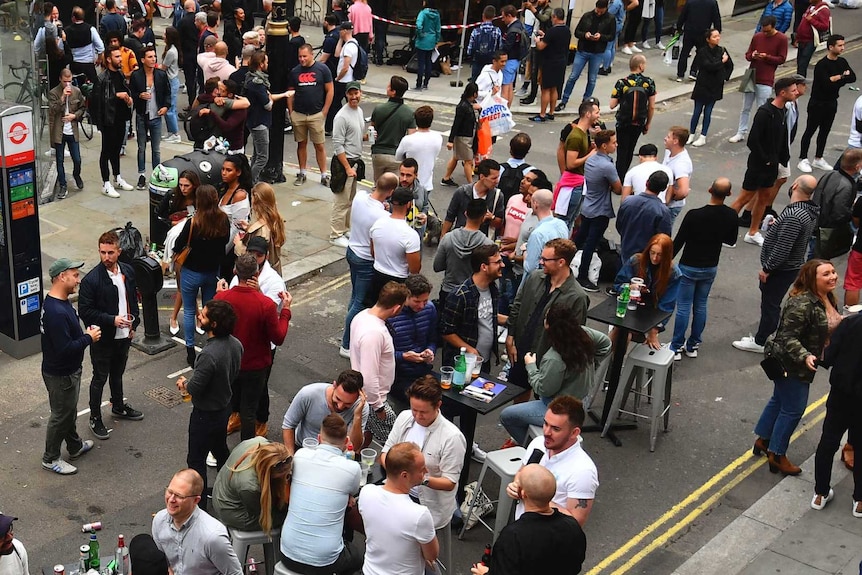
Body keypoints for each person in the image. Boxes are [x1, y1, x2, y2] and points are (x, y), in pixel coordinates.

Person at [752, 260, 839, 476]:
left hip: (803, 361)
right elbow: (787, 337)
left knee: (780, 400)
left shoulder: (826, 297)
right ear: (812, 279)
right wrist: (806, 355)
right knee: (793, 409)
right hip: (791, 363)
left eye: (834, 271)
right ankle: (777, 454)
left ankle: (763, 440)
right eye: (826, 274)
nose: (833, 276)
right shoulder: (802, 304)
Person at [381, 377, 466, 571]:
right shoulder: (404, 418)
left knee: (420, 556)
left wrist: (420, 480)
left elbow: (450, 482)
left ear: (438, 406)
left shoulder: (452, 438)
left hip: (428, 503)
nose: (417, 416)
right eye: (414, 410)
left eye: (423, 412)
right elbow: (385, 453)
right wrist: (398, 475)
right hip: (398, 492)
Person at [500, 303, 611, 445]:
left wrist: (531, 365)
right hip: (581, 402)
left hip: (558, 408)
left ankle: (536, 448)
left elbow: (543, 389)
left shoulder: (555, 358)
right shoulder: (584, 335)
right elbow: (606, 344)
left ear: (548, 326)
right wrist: (594, 362)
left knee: (507, 416)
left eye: (546, 317)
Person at [732, 175, 819, 354]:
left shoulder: (794, 215)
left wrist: (767, 268)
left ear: (795, 186)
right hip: (790, 266)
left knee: (770, 304)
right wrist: (778, 224)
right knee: (772, 303)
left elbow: (783, 247)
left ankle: (761, 340)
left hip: (781, 269)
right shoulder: (805, 211)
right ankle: (767, 333)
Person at [215, 254, 291, 439]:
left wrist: (219, 293)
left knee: (228, 401)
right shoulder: (266, 304)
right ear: (256, 275)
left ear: (235, 271)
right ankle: (245, 453)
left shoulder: (223, 298)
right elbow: (278, 337)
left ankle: (221, 443)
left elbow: (212, 325)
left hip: (230, 362)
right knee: (249, 411)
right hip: (256, 366)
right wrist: (286, 311)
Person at [175, 301, 243, 502]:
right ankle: (228, 492)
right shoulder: (236, 345)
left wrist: (184, 383)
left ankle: (199, 503)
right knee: (220, 450)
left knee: (196, 460)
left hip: (205, 415)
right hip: (224, 409)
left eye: (203, 316)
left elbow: (195, 388)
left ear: (213, 325)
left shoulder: (209, 355)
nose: (199, 316)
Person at [78, 231, 143, 440]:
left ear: (119, 251)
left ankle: (118, 405)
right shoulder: (91, 281)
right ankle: (95, 416)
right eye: (103, 252)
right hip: (103, 338)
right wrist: (111, 319)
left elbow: (133, 298)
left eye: (110, 252)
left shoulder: (127, 272)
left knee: (117, 373)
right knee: (99, 378)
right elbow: (85, 312)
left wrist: (135, 324)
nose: (106, 257)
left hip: (124, 335)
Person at [280, 415, 363, 575]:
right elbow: (352, 493)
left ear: (318, 438)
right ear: (347, 442)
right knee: (358, 558)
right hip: (325, 561)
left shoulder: (300, 455)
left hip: (287, 552)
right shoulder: (352, 468)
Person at [471, 465, 587, 575]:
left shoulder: (513, 536)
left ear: (522, 493)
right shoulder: (572, 527)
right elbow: (576, 565)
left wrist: (485, 573)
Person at [506, 239, 589, 393]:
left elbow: (574, 337)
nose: (541, 262)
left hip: (549, 360)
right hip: (521, 349)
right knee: (517, 392)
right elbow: (517, 305)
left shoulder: (577, 297)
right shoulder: (534, 277)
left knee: (545, 403)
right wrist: (510, 336)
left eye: (545, 259)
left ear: (561, 262)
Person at [41, 258, 99, 475]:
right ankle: (50, 458)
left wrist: (83, 334)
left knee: (68, 411)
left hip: (66, 371)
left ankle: (74, 446)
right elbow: (64, 348)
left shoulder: (59, 302)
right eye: (75, 274)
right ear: (61, 276)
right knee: (61, 415)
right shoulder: (56, 312)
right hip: (61, 374)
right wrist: (88, 338)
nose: (78, 279)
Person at [670, 178, 738, 360]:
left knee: (683, 306)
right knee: (700, 305)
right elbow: (731, 240)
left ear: (709, 189)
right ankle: (693, 344)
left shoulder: (694, 215)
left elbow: (679, 240)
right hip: (710, 266)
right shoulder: (731, 215)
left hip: (689, 265)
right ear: (729, 194)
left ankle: (676, 346)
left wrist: (667, 260)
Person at [507, 396, 598, 526]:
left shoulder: (583, 472)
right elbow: (521, 473)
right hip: (520, 527)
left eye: (556, 429)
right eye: (545, 424)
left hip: (548, 539)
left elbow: (575, 522)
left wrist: (537, 498)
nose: (546, 432)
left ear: (574, 433)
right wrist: (515, 486)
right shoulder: (538, 444)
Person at [730, 76, 799, 247]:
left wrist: (783, 157)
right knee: (743, 198)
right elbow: (753, 140)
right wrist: (766, 159)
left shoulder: (783, 110)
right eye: (793, 90)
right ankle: (724, 231)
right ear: (782, 93)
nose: (796, 93)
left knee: (763, 199)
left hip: (773, 166)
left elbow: (782, 138)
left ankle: (753, 232)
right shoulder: (765, 112)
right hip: (758, 165)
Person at [811, 307, 862, 516]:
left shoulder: (850, 324)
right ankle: (859, 500)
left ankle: (821, 493)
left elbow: (828, 357)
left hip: (841, 394)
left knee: (828, 442)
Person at [173, 185, 232, 366]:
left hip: (191, 272)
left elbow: (177, 245)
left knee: (190, 311)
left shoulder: (193, 222)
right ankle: (209, 347)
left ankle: (190, 350)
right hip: (212, 272)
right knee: (209, 311)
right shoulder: (223, 220)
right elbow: (225, 243)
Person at [359, 442, 439, 574]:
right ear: (404, 476)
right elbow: (431, 556)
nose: (426, 471)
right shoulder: (419, 514)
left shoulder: (366, 492)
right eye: (422, 469)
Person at [339, 173, 397, 357]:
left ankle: (351, 337)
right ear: (391, 191)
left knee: (355, 297)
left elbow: (371, 199)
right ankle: (346, 345)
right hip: (365, 259)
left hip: (351, 252)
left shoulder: (360, 197)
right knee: (360, 303)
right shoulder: (382, 216)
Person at [152, 468, 243, 575]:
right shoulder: (159, 521)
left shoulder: (213, 537)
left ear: (196, 500)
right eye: (170, 491)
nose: (171, 499)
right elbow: (163, 562)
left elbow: (235, 573)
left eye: (179, 496)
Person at [350, 282, 410, 442]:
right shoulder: (374, 333)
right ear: (397, 308)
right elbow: (368, 377)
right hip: (374, 400)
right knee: (396, 443)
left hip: (368, 398)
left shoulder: (362, 315)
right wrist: (379, 407)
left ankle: (358, 460)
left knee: (365, 434)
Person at [797, 35, 856, 174]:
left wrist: (837, 78)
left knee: (825, 131)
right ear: (831, 47)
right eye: (840, 45)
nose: (843, 48)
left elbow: (852, 77)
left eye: (843, 45)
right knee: (810, 130)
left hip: (831, 102)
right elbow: (826, 85)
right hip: (817, 103)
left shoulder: (842, 61)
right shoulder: (822, 65)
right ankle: (803, 158)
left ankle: (818, 158)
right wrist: (842, 77)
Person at [440, 244, 503, 369]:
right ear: (484, 267)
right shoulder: (460, 295)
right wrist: (470, 350)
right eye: (498, 262)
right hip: (463, 362)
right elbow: (446, 331)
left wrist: (511, 320)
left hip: (483, 361)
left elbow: (487, 315)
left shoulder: (492, 288)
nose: (502, 265)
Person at [613, 234, 681, 348]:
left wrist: (654, 331)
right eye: (652, 252)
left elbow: (667, 306)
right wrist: (629, 287)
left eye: (659, 255)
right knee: (620, 335)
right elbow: (617, 284)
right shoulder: (635, 261)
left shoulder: (673, 273)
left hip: (651, 313)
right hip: (629, 307)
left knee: (640, 344)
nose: (654, 258)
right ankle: (608, 362)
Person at [212, 438, 291, 534]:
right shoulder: (250, 486)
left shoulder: (260, 442)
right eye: (281, 473)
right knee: (288, 517)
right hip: (231, 508)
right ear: (266, 471)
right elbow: (258, 511)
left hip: (224, 485)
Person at [728, 17, 787, 144]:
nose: (764, 33)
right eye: (763, 30)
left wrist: (767, 57)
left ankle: (760, 134)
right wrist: (752, 55)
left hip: (766, 77)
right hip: (751, 74)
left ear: (773, 27)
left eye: (768, 31)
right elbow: (747, 55)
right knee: (745, 107)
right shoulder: (757, 36)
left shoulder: (782, 39)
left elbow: (782, 59)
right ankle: (741, 132)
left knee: (763, 109)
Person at [281, 370, 369, 455]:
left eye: (348, 404)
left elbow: (354, 446)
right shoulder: (308, 394)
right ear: (334, 385)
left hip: (337, 455)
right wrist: (291, 457)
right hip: (304, 448)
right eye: (338, 399)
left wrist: (357, 416)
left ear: (358, 397)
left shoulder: (361, 407)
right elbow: (288, 425)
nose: (340, 406)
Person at [575, 130, 620, 292]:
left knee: (579, 239)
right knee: (591, 244)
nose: (616, 145)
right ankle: (582, 276)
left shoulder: (591, 160)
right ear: (604, 145)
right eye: (613, 143)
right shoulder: (607, 166)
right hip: (600, 210)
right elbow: (618, 189)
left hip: (588, 206)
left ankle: (566, 263)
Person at [91, 45, 135, 198]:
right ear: (109, 59)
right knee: (106, 151)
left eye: (120, 56)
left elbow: (125, 91)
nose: (120, 59)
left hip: (121, 118)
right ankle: (106, 183)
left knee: (116, 150)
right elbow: (98, 101)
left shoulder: (121, 75)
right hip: (108, 121)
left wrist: (128, 99)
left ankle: (117, 177)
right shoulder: (102, 78)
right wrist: (117, 95)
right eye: (116, 57)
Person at [365, 187, 421, 306]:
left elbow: (373, 252)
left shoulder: (377, 224)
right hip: (398, 282)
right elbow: (414, 269)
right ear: (409, 205)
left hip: (376, 276)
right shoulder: (410, 235)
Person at [388, 275, 438, 406]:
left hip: (424, 371)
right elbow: (380, 355)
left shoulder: (430, 309)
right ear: (406, 297)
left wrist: (430, 350)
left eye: (425, 301)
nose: (422, 305)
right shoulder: (391, 316)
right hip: (399, 376)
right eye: (417, 301)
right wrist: (403, 356)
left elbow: (433, 339)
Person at [288, 44, 333, 188]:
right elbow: (290, 93)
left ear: (311, 55)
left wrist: (324, 111)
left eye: (304, 56)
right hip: (299, 114)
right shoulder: (294, 72)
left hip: (316, 115)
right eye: (299, 56)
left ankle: (324, 175)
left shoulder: (323, 70)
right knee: (301, 144)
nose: (302, 59)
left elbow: (330, 90)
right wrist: (291, 111)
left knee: (319, 145)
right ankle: (302, 173)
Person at [556, 0, 614, 111]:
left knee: (592, 79)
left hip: (597, 52)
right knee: (573, 76)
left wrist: (601, 36)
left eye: (601, 11)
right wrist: (585, 34)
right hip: (583, 50)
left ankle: (585, 102)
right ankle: (564, 100)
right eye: (597, 10)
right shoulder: (587, 16)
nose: (598, 13)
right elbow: (577, 32)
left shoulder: (610, 19)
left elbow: (611, 36)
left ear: (606, 8)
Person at [434, 199, 494, 304]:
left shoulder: (448, 238)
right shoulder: (487, 244)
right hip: (474, 293)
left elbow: (437, 266)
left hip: (449, 291)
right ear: (484, 217)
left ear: (466, 213)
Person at [329, 81, 366, 248]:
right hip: (345, 164)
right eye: (350, 94)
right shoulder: (341, 116)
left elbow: (355, 136)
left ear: (360, 93)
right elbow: (338, 145)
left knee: (350, 200)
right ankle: (335, 234)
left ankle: (344, 229)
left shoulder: (358, 111)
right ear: (346, 95)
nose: (354, 97)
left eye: (356, 93)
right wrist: (347, 168)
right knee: (341, 201)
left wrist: (366, 138)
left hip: (355, 162)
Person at [553, 100, 599, 227]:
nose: (599, 115)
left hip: (579, 182)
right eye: (597, 112)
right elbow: (571, 163)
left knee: (572, 218)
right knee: (565, 220)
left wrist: (591, 149)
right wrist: (591, 154)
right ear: (588, 114)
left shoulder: (584, 133)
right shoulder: (576, 136)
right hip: (572, 184)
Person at [244, 52, 289, 183]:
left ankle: (250, 179)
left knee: (256, 155)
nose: (268, 64)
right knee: (263, 157)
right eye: (266, 62)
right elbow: (268, 105)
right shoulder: (258, 83)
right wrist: (269, 97)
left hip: (254, 121)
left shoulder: (250, 77)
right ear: (261, 64)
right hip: (259, 123)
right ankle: (251, 181)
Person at [130, 45, 170, 190]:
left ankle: (156, 173)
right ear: (142, 60)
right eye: (150, 57)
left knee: (156, 148)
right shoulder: (136, 75)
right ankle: (141, 175)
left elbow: (167, 94)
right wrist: (139, 95)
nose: (153, 59)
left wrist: (165, 107)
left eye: (154, 56)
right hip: (141, 115)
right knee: (141, 147)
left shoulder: (161, 75)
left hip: (156, 116)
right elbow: (132, 94)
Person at [611, 55, 656, 180]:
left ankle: (618, 178)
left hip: (623, 122)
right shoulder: (649, 83)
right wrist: (648, 123)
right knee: (630, 149)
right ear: (640, 66)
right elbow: (651, 106)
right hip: (638, 122)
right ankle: (624, 176)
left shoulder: (622, 82)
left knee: (622, 150)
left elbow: (612, 105)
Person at [812, 150, 862, 260]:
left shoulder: (829, 174)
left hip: (816, 222)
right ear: (857, 166)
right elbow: (839, 213)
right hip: (826, 231)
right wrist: (852, 212)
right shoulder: (846, 186)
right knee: (818, 260)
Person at [616, 170, 673, 263]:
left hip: (626, 250)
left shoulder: (628, 201)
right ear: (663, 189)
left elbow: (619, 225)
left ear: (647, 183)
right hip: (646, 257)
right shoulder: (663, 211)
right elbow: (663, 238)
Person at [688, 29, 731, 148]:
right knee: (697, 111)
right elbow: (708, 66)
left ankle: (703, 136)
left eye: (718, 36)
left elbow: (730, 66)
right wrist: (721, 62)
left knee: (708, 111)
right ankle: (691, 134)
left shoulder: (722, 50)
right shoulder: (702, 52)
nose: (717, 38)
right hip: (702, 85)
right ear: (708, 39)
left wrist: (724, 77)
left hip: (715, 86)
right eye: (714, 37)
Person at [441, 158, 504, 239]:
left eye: (498, 177)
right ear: (482, 177)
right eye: (493, 178)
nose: (497, 181)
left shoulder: (498, 196)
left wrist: (491, 217)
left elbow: (499, 223)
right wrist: (443, 238)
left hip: (481, 244)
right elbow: (450, 217)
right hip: (460, 240)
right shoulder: (462, 192)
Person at [48, 68, 86, 200]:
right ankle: (63, 184)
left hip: (72, 131)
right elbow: (53, 110)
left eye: (69, 81)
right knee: (59, 160)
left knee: (77, 159)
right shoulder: (54, 93)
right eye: (65, 82)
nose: (67, 84)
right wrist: (63, 97)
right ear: (60, 79)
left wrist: (74, 116)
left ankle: (77, 174)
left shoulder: (77, 92)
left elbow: (82, 108)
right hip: (59, 132)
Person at [234, 183, 286, 275]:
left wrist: (238, 244)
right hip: (274, 271)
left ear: (256, 200)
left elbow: (255, 258)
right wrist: (249, 228)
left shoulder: (261, 230)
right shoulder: (276, 220)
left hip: (260, 276)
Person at [370, 76, 416, 180]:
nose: (387, 87)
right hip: (397, 155)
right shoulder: (409, 113)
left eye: (389, 86)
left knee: (379, 186)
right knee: (393, 187)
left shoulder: (379, 109)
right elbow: (411, 138)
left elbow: (371, 132)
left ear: (393, 91)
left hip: (378, 154)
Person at [532, 8, 571, 120]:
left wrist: (537, 40)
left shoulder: (553, 31)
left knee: (545, 89)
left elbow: (541, 46)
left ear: (554, 17)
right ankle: (551, 112)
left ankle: (542, 114)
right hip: (561, 61)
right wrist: (546, 35)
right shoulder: (567, 30)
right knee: (554, 88)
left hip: (550, 62)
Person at [218, 154, 252, 278]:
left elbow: (236, 228)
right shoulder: (224, 189)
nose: (224, 173)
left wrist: (222, 250)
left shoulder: (240, 195)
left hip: (230, 248)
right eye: (223, 169)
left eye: (229, 170)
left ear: (238, 172)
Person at [395, 106, 443, 193]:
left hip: (409, 184)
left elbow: (398, 157)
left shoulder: (407, 140)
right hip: (427, 184)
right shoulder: (438, 137)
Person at [441, 82, 480, 187]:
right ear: (474, 93)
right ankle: (471, 184)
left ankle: (446, 178)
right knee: (468, 160)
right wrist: (450, 140)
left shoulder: (469, 104)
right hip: (463, 137)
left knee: (456, 157)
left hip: (467, 135)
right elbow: (456, 124)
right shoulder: (463, 107)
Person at [673, 0, 721, 82]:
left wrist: (679, 27)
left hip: (689, 31)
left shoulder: (690, 1)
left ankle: (680, 74)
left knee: (684, 52)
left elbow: (683, 15)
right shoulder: (712, 2)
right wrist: (717, 31)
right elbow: (716, 18)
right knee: (700, 52)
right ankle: (693, 71)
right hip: (703, 32)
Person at [523, 189, 568, 275]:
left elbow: (530, 267)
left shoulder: (537, 234)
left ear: (535, 204)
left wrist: (525, 252)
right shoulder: (562, 224)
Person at [519, 0, 553, 104]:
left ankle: (534, 96)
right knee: (531, 70)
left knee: (537, 71)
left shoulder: (549, 11)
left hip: (541, 44)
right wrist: (526, 7)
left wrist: (533, 9)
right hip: (534, 43)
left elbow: (544, 19)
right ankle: (531, 94)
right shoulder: (539, 8)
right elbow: (524, 14)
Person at [662, 126, 693, 224]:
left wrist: (670, 196)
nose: (665, 138)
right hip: (664, 203)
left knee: (662, 234)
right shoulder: (669, 151)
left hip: (670, 207)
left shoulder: (681, 164)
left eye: (668, 137)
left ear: (675, 141)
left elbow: (683, 191)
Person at [66, 6, 104, 85]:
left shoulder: (66, 31)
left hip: (74, 65)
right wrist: (99, 59)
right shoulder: (91, 29)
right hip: (88, 65)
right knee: (92, 89)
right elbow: (100, 47)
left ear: (73, 17)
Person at [795, 0, 831, 78]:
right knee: (799, 62)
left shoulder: (824, 10)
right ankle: (799, 80)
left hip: (810, 41)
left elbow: (825, 26)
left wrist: (811, 20)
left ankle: (800, 82)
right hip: (802, 39)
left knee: (803, 63)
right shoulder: (811, 6)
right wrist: (797, 37)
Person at [500, 5, 527, 108]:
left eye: (503, 17)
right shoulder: (519, 24)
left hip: (510, 60)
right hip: (516, 60)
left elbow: (507, 47)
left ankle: (504, 111)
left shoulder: (512, 30)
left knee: (505, 88)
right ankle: (508, 110)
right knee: (510, 86)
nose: (502, 20)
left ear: (509, 16)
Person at [467, 6, 502, 82]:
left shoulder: (476, 31)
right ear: (494, 17)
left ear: (483, 16)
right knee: (490, 82)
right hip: (491, 61)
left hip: (477, 60)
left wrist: (471, 57)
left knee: (475, 82)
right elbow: (500, 48)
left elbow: (469, 49)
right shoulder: (497, 31)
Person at [161, 26, 183, 144]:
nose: (163, 36)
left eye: (165, 34)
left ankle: (175, 134)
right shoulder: (172, 49)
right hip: (172, 80)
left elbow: (163, 67)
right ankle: (171, 132)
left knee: (170, 108)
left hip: (171, 81)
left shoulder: (170, 52)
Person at [414, 0, 441, 90]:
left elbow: (418, 25)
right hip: (431, 40)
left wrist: (420, 34)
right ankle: (426, 83)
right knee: (428, 62)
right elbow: (438, 29)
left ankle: (418, 84)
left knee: (421, 64)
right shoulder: (437, 15)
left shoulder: (423, 13)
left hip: (422, 41)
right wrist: (436, 40)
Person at [178, 0, 199, 108]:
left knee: (190, 80)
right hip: (198, 53)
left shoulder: (182, 21)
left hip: (187, 54)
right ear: (194, 7)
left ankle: (192, 103)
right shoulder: (199, 20)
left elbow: (179, 39)